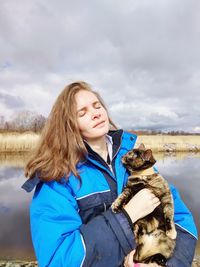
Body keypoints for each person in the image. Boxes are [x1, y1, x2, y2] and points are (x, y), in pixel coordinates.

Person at [22, 81, 197, 267]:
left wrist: (162, 264)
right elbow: (57, 259)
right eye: (82, 112)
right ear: (69, 125)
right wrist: (126, 216)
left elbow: (181, 221)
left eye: (97, 106)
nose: (95, 113)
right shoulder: (56, 177)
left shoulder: (133, 157)